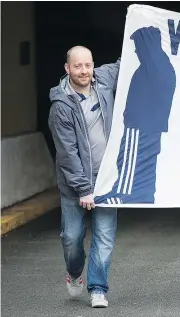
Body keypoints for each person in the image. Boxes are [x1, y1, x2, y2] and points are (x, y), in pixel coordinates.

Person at [48, 46, 120, 308]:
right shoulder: (61, 106)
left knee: (104, 236)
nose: (84, 71)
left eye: (87, 65)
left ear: (93, 65)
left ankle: (98, 289)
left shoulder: (103, 80)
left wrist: (148, 26)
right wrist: (83, 189)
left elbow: (128, 62)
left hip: (106, 179)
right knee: (72, 239)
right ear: (67, 69)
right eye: (77, 66)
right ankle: (75, 271)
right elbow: (67, 154)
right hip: (74, 184)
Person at [94, 26, 176, 205]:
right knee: (145, 161)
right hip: (151, 125)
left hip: (140, 125)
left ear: (146, 44)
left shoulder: (153, 65)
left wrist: (131, 118)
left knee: (130, 159)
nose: (136, 50)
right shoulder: (161, 63)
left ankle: (124, 192)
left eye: (138, 44)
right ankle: (142, 193)